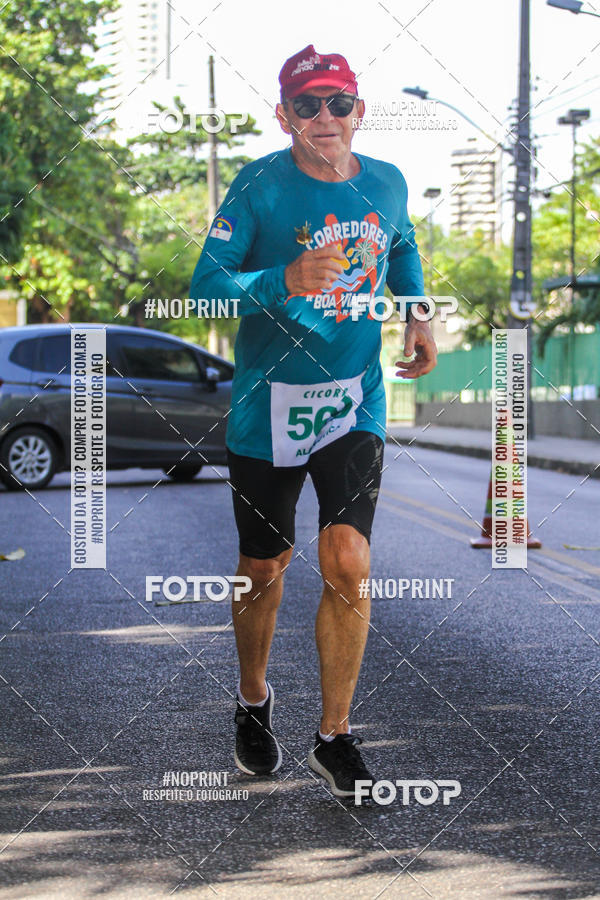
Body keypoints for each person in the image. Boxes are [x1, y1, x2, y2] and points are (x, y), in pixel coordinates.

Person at [190, 44, 437, 799]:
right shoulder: (260, 186)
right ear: (284, 115)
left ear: (359, 111)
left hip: (352, 401)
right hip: (268, 408)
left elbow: (401, 246)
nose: (324, 118)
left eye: (338, 103)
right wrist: (281, 278)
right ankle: (254, 699)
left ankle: (335, 736)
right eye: (307, 105)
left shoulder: (388, 183)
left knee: (348, 561)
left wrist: (419, 311)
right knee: (265, 567)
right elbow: (205, 290)